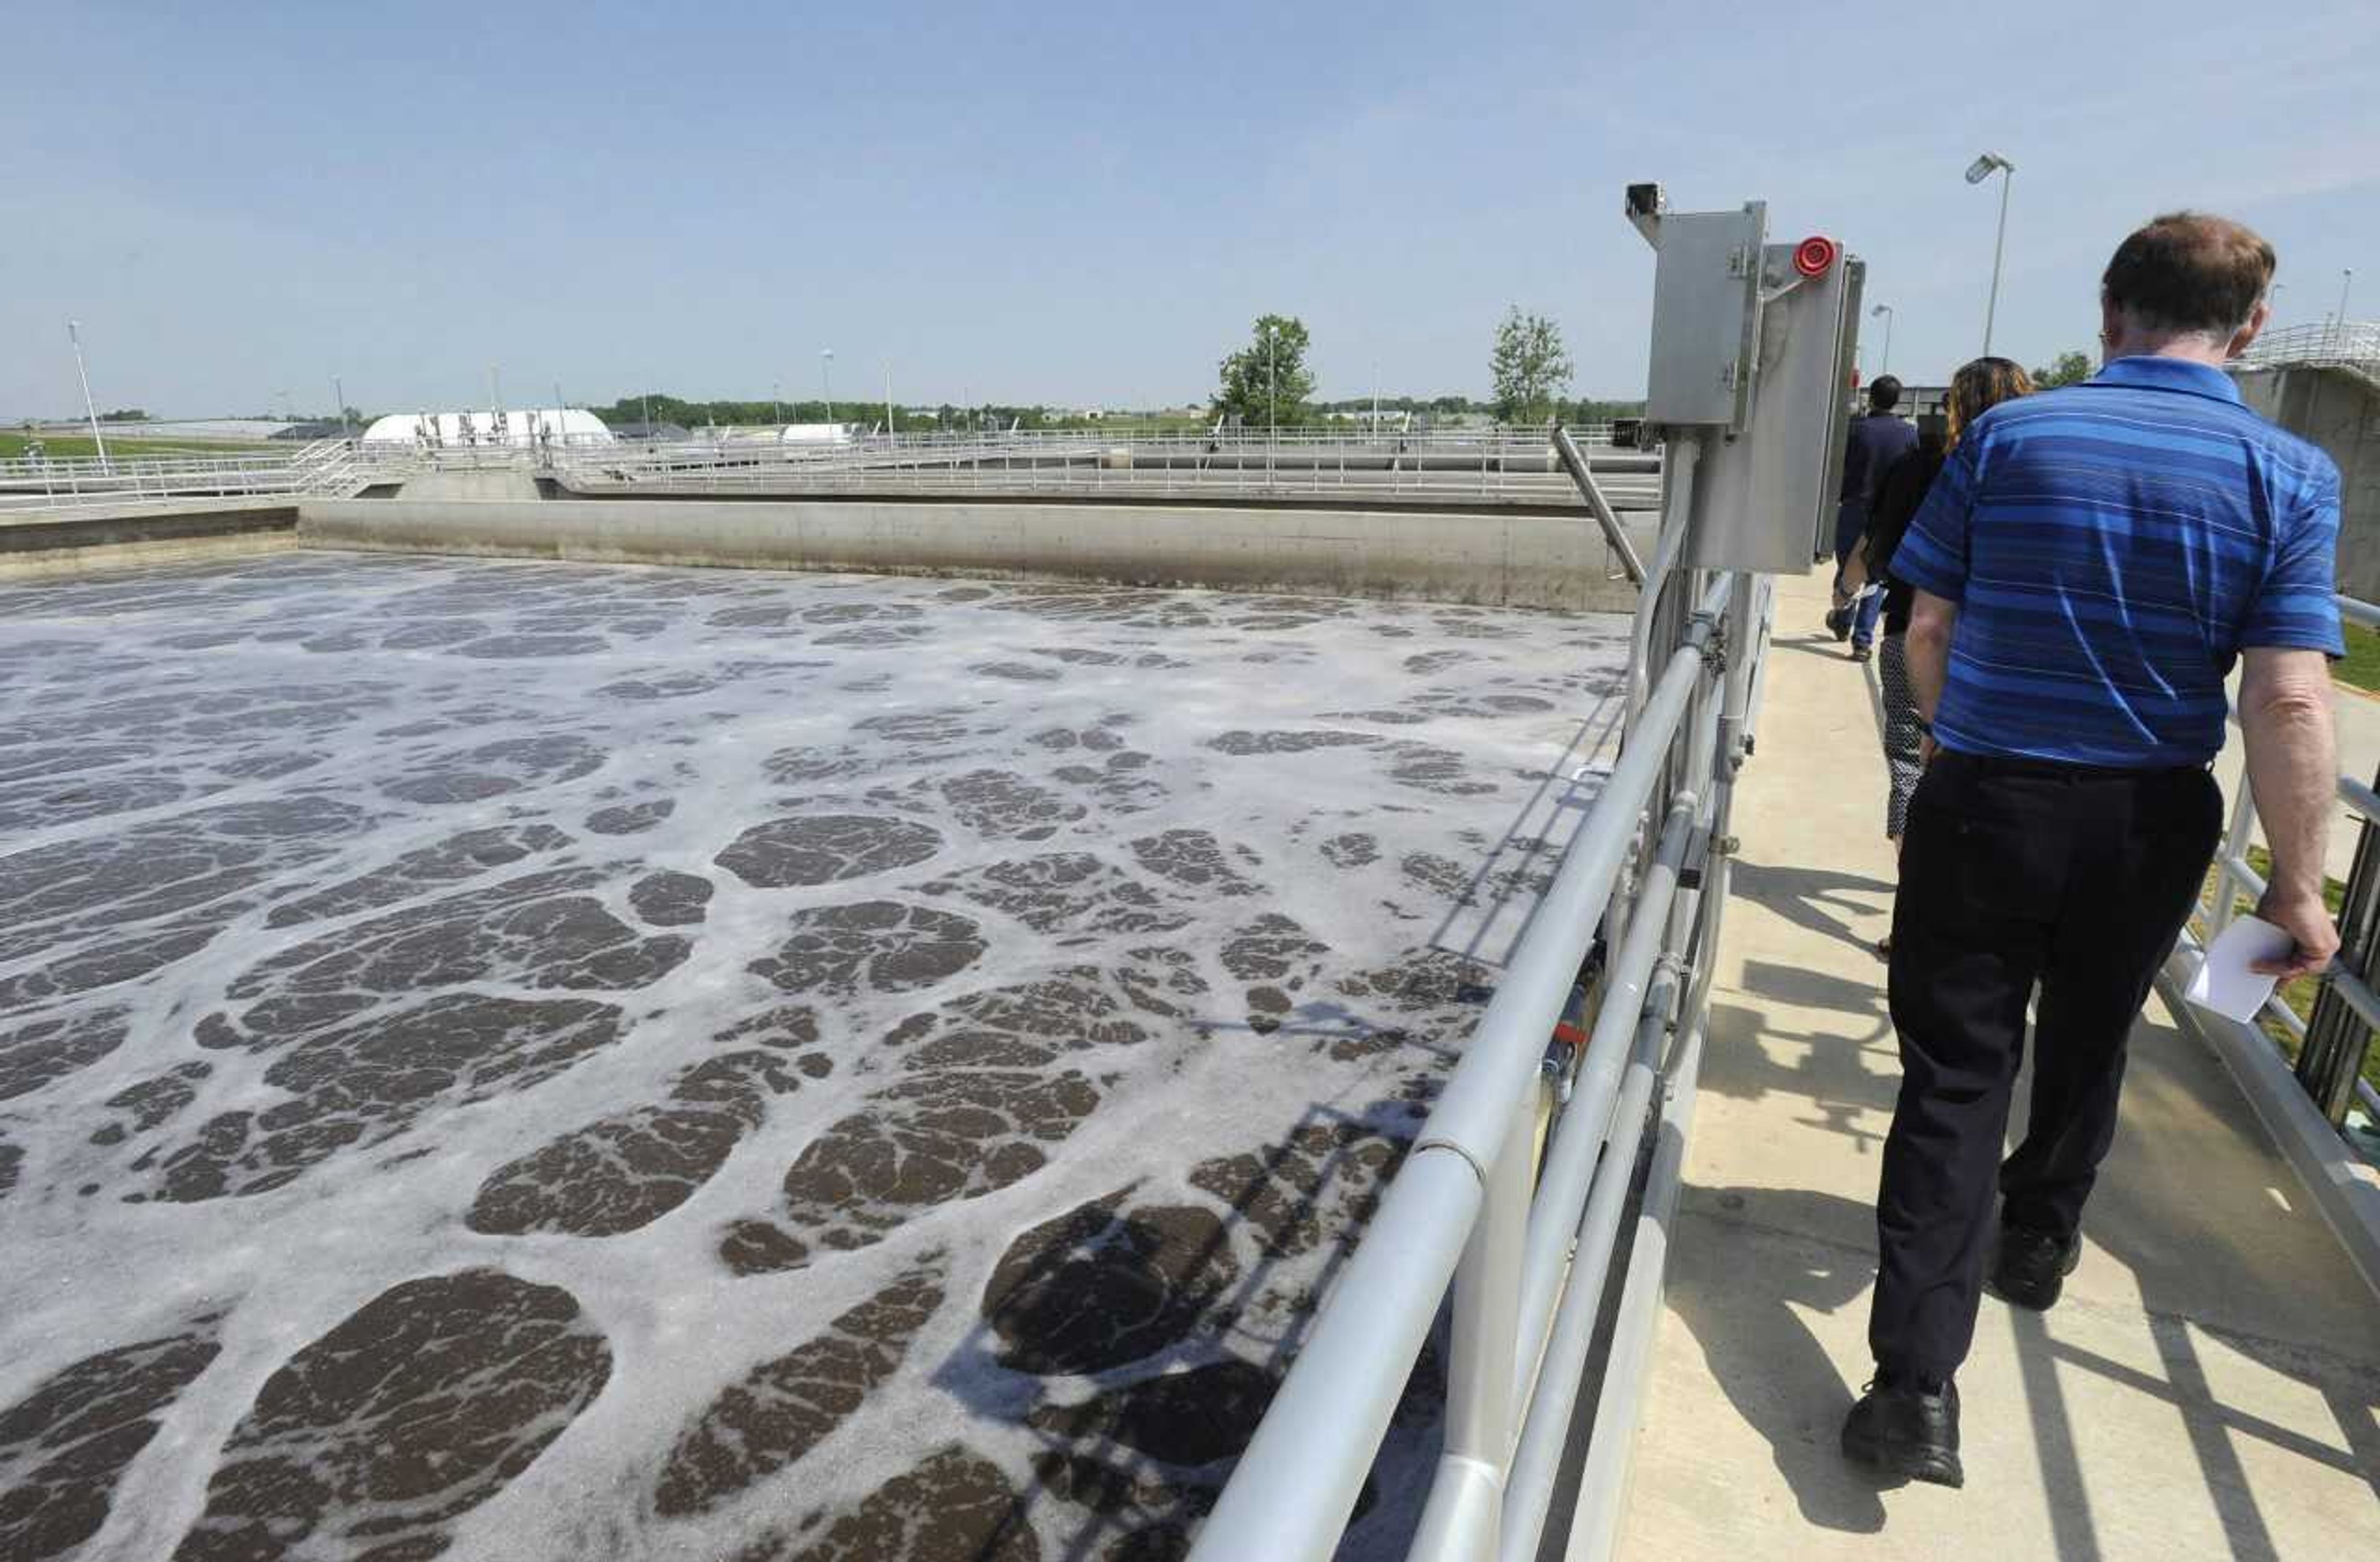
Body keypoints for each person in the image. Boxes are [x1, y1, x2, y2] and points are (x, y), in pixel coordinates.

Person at [1842, 213, 2343, 1489]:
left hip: (1987, 800)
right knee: (2092, 1031)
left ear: (2110, 312)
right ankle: (2040, 1240)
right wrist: (2295, 884)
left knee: (1955, 1078)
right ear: (2250, 330)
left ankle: (1914, 1391)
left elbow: (1927, 626)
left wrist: (1962, 744)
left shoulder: (2008, 435)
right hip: (2149, 817)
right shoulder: (2290, 476)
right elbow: (2287, 697)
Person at [1842, 360, 2035, 860]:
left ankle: (1910, 898)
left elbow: (1878, 542)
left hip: (1911, 635)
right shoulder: (2035, 478)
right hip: (2001, 660)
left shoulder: (1922, 466)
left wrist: (1846, 590)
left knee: (1910, 767)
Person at [1826, 376, 1919, 661]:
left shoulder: (1855, 430)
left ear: (1871, 398)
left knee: (1847, 567)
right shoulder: (1908, 434)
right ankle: (1862, 642)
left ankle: (1843, 619)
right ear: (1897, 400)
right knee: (1877, 577)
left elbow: (1837, 469)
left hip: (1855, 508)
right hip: (1889, 514)